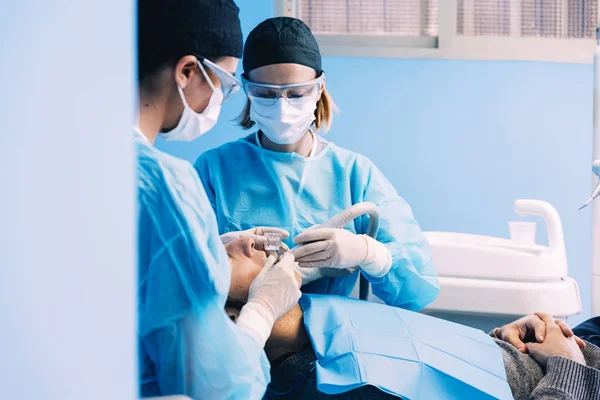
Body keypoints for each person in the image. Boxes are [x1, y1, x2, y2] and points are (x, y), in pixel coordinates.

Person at [195, 16, 439, 311]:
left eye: (296, 93)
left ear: (319, 88)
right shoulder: (215, 170)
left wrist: (371, 254)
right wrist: (227, 247)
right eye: (266, 94)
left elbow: (416, 291)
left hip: (330, 343)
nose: (282, 107)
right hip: (241, 337)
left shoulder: (354, 175)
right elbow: (179, 271)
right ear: (247, 90)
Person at [135, 1, 301, 398]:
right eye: (226, 85)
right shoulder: (164, 186)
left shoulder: (63, 156)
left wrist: (210, 250)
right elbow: (221, 388)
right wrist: (262, 310)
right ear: (188, 71)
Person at [223, 237, 600, 400]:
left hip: (554, 353)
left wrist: (499, 342)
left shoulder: (324, 323)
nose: (245, 240)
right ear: (234, 315)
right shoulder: (322, 386)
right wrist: (568, 366)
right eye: (220, 254)